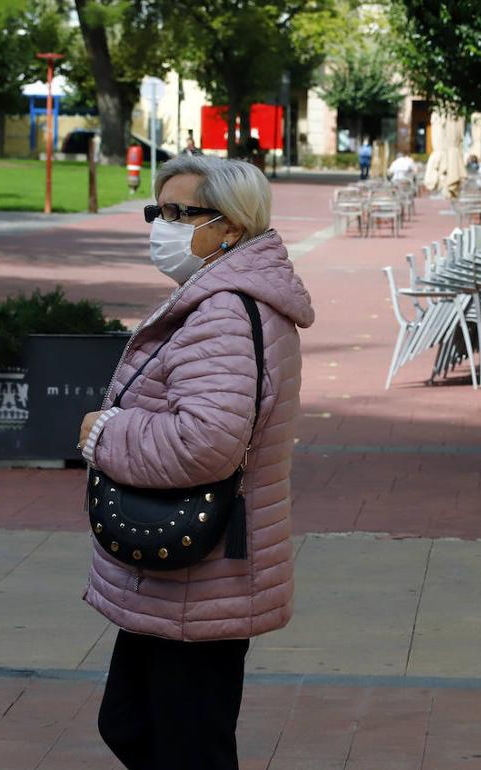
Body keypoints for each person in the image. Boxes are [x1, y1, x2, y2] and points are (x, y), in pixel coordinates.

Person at [78, 154, 314, 769]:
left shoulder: (224, 313)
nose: (163, 226)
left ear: (231, 225)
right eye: (157, 212)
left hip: (200, 571)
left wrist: (106, 432)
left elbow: (204, 442)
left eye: (180, 213)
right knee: (136, 725)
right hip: (183, 573)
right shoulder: (219, 299)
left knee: (181, 745)